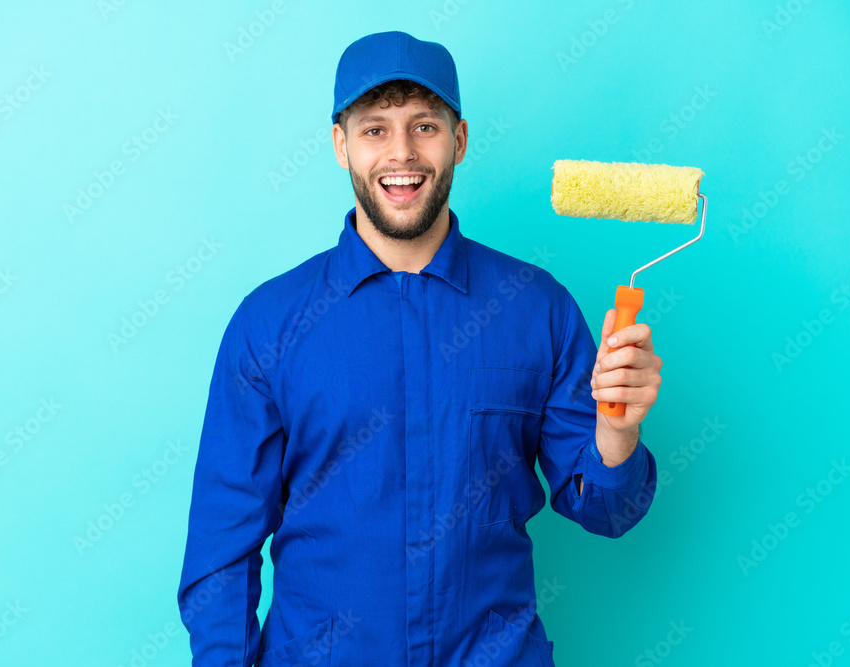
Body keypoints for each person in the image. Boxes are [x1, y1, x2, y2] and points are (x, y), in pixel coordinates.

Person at [178, 30, 661, 667]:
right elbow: (221, 549)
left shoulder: (535, 307)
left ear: (458, 139)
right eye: (375, 129)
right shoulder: (269, 324)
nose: (401, 153)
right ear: (340, 145)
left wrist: (618, 435)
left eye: (424, 126)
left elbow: (607, 510)